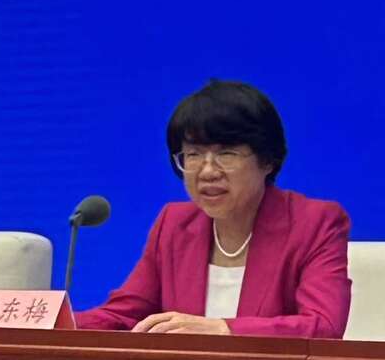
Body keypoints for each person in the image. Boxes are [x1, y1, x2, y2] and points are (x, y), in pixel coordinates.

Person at [75, 79, 351, 337]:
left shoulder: (314, 223)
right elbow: (123, 315)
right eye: (193, 154)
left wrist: (223, 330)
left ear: (267, 160)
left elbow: (323, 326)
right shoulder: (174, 224)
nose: (207, 171)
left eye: (226, 154)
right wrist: (57, 322)